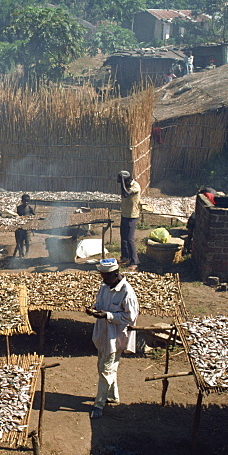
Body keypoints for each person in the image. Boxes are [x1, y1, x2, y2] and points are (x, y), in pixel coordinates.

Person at [85, 258, 138, 418]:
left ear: (115, 274)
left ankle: (99, 405)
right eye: (102, 276)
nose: (103, 279)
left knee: (106, 370)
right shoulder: (104, 287)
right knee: (105, 367)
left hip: (116, 338)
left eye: (106, 276)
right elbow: (99, 303)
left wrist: (107, 315)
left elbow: (130, 317)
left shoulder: (127, 292)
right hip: (103, 335)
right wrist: (94, 308)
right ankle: (112, 396)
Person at [118, 170, 141, 268]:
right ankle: (125, 257)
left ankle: (134, 262)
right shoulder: (126, 185)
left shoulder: (135, 186)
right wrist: (122, 182)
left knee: (129, 239)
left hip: (132, 216)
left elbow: (126, 194)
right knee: (123, 237)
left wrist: (122, 181)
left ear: (126, 181)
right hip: (125, 214)